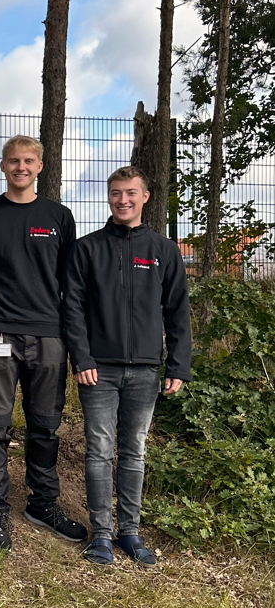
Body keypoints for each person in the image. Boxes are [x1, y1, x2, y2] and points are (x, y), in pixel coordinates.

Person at [0, 135, 86, 553]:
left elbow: (69, 279)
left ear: (41, 167)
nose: (21, 167)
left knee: (45, 426)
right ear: (2, 166)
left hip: (49, 338)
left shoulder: (59, 217)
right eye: (14, 161)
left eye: (29, 161)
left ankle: (42, 504)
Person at [64, 165, 191, 566]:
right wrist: (81, 358)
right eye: (116, 193)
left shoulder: (163, 251)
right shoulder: (87, 249)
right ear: (108, 197)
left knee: (134, 451)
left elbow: (177, 312)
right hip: (97, 370)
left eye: (131, 193)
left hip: (145, 372)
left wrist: (177, 366)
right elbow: (72, 310)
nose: (123, 200)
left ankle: (129, 532)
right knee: (99, 450)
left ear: (145, 197)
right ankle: (101, 534)